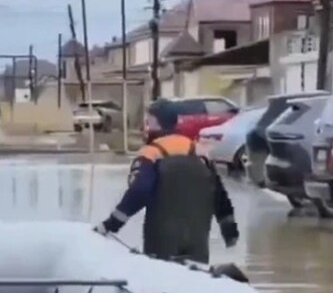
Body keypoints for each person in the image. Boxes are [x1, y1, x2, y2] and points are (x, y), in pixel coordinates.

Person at [94, 100, 239, 263]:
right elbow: (219, 195)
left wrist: (110, 224)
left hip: (162, 241)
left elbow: (139, 191)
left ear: (157, 124)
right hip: (197, 240)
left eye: (148, 122)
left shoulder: (150, 153)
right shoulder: (199, 151)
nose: (145, 127)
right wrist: (229, 231)